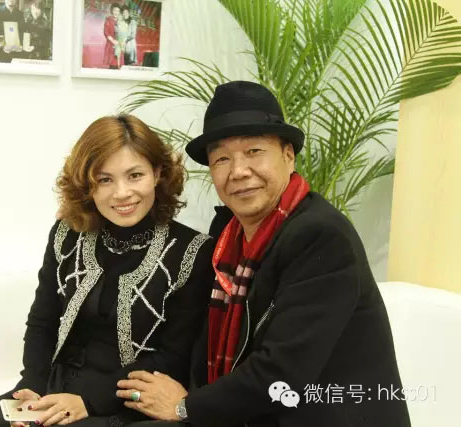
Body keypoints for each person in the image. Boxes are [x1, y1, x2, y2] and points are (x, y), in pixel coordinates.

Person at [116, 81, 412, 427]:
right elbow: (196, 341)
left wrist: (185, 407)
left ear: (288, 155)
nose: (238, 171)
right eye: (222, 158)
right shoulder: (227, 235)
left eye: (254, 151)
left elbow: (282, 372)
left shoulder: (320, 237)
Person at [0, 114, 215, 427]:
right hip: (55, 387)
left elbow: (172, 357)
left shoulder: (192, 251)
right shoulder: (67, 234)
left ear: (157, 173)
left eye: (135, 175)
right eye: (105, 180)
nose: (122, 193)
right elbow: (42, 322)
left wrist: (88, 400)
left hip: (127, 403)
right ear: (87, 185)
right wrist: (32, 387)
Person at [103, 3, 120, 69]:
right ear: (112, 11)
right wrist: (113, 41)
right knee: (112, 65)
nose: (116, 12)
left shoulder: (121, 21)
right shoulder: (108, 20)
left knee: (119, 66)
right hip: (111, 45)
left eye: (118, 11)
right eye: (114, 10)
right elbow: (106, 33)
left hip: (120, 45)